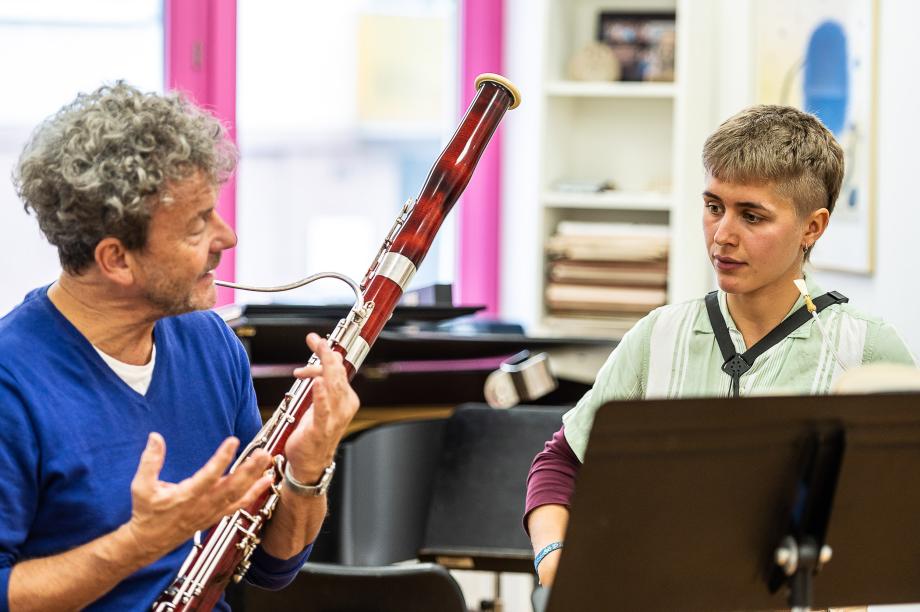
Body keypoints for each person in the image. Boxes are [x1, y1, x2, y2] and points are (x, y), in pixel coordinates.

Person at [0, 82, 360, 610]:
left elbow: (270, 566)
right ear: (116, 259)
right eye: (197, 226)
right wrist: (139, 544)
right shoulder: (13, 382)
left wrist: (308, 466)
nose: (227, 237)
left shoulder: (211, 343)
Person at [525, 104, 917, 587]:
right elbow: (562, 461)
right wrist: (554, 558)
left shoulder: (868, 349)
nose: (722, 236)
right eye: (714, 207)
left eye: (752, 216)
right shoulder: (658, 334)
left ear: (812, 228)